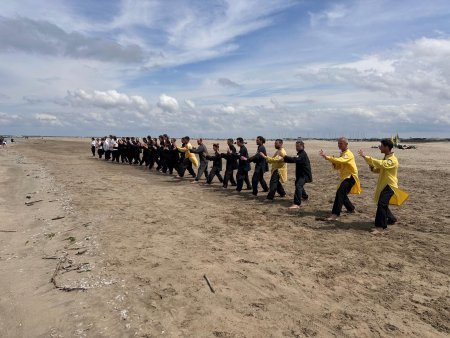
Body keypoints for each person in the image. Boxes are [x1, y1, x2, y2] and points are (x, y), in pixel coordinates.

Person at [358, 139, 409, 233]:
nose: (379, 147)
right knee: (382, 203)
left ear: (386, 147)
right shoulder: (386, 158)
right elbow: (379, 169)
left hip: (390, 185)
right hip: (384, 185)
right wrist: (372, 167)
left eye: (381, 145)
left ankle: (380, 227)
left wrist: (366, 157)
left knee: (381, 204)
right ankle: (392, 219)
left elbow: (382, 164)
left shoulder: (392, 160)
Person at [319, 137, 361, 221]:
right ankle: (351, 209)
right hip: (345, 177)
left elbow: (341, 161)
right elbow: (338, 166)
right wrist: (333, 162)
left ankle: (335, 214)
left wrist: (327, 157)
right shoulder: (343, 153)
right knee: (342, 194)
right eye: (338, 143)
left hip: (350, 177)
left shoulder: (348, 154)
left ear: (346, 144)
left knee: (340, 193)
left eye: (341, 143)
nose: (339, 145)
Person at [283, 139, 312, 209]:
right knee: (298, 184)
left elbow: (295, 160)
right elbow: (294, 160)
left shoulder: (302, 154)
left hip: (304, 175)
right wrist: (285, 159)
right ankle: (305, 197)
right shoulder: (300, 154)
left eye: (298, 146)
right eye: (296, 146)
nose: (297, 148)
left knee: (298, 185)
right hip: (301, 174)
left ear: (302, 146)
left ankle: (296, 204)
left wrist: (284, 157)